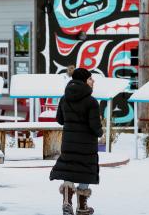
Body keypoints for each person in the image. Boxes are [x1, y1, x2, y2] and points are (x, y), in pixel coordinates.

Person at [50, 68, 102, 215]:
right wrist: (100, 132)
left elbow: (60, 120)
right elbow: (95, 126)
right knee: (84, 171)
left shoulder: (64, 98)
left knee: (69, 169)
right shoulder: (91, 102)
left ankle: (67, 201)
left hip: (68, 142)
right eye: (91, 78)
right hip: (86, 145)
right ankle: (82, 206)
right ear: (84, 80)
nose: (93, 81)